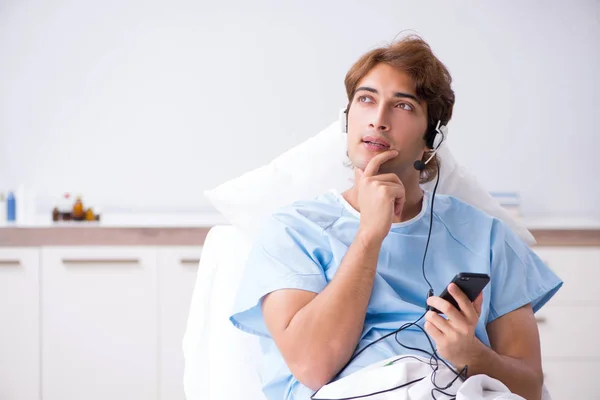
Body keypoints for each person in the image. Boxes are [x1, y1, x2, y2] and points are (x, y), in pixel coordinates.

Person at [229, 35, 562, 400]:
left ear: (430, 138)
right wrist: (370, 235)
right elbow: (312, 366)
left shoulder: (487, 236)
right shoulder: (293, 231)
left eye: (402, 105)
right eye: (366, 99)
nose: (378, 120)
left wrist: (473, 356)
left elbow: (530, 387)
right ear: (348, 119)